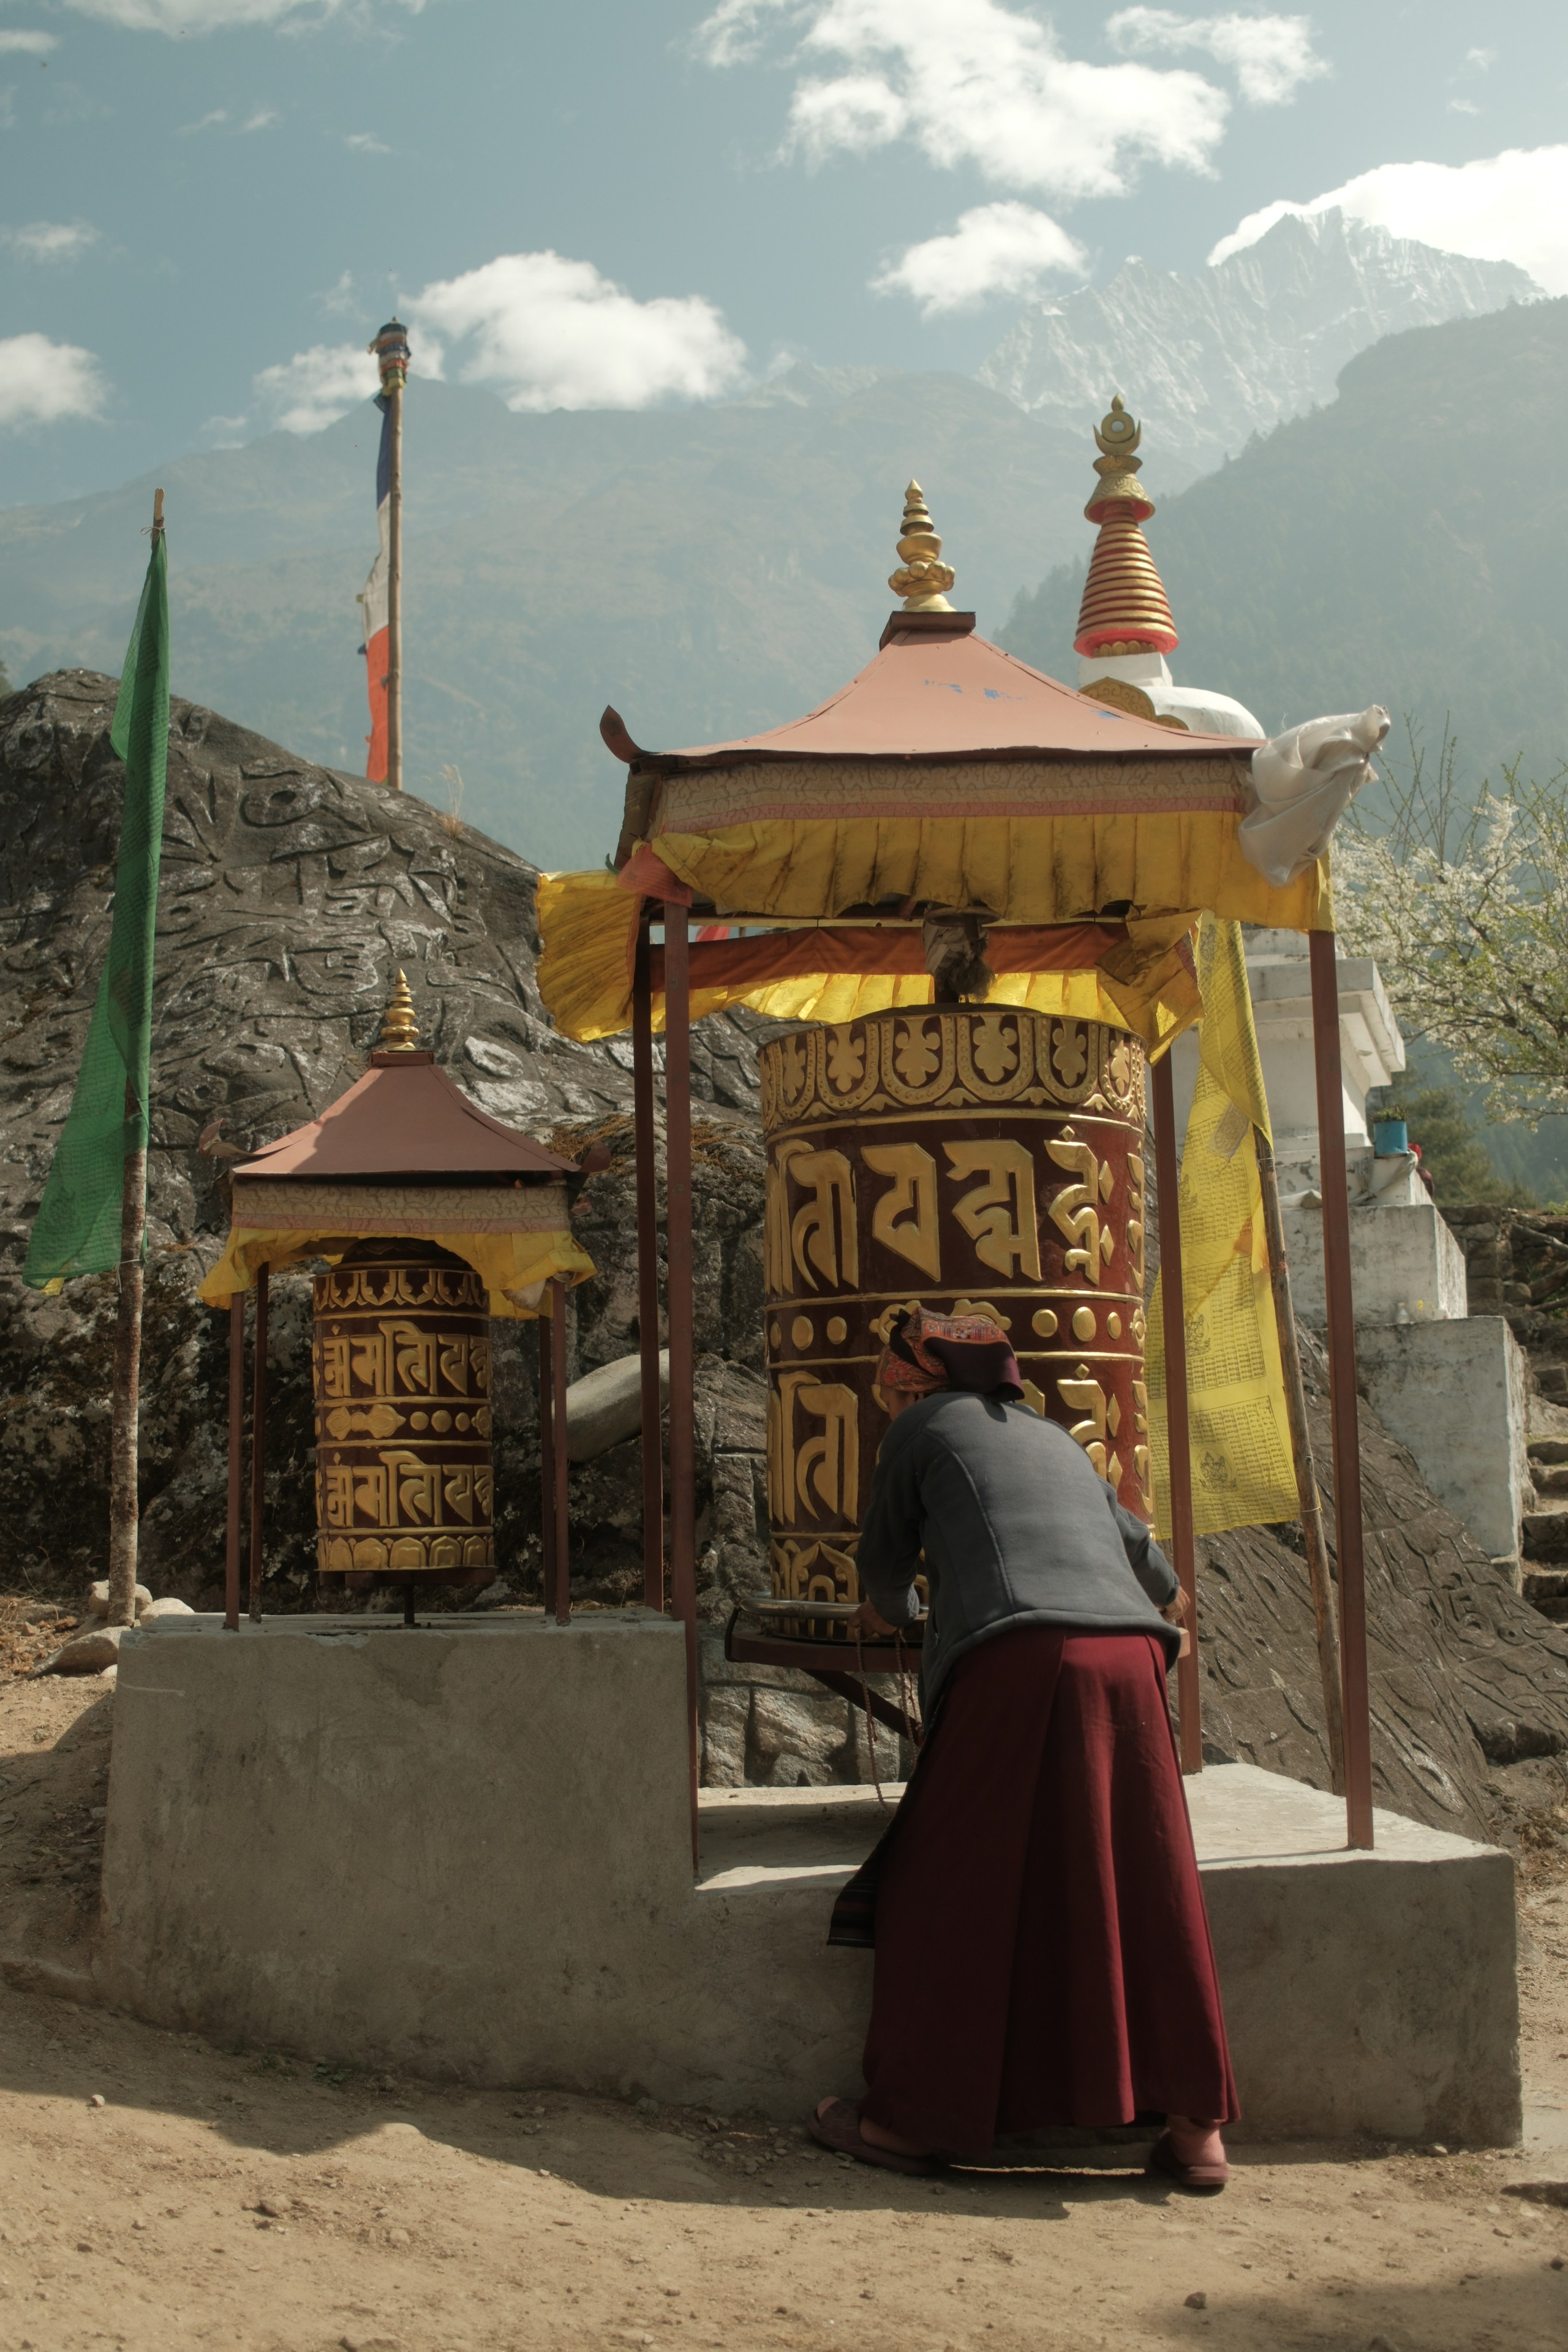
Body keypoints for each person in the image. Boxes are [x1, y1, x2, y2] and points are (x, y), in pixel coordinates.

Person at [809, 1305, 1237, 2193]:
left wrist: (889, 1611)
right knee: (1145, 1883)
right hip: (1128, 1660)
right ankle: (1197, 2134)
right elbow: (1156, 1573)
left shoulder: (919, 1432)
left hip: (1021, 1658)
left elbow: (886, 1583)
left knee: (942, 1880)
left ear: (905, 1378)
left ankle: (903, 2122)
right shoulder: (1052, 1439)